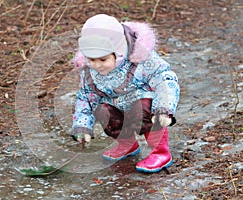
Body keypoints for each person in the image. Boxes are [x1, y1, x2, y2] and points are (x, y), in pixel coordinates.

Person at [70, 14, 180, 173]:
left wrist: (163, 108)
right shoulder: (90, 72)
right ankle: (127, 144)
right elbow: (86, 97)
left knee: (143, 109)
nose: (97, 65)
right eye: (91, 59)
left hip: (141, 102)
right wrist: (82, 126)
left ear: (118, 52)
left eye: (103, 59)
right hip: (115, 104)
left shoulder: (142, 61)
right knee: (102, 109)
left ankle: (160, 152)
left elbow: (164, 80)